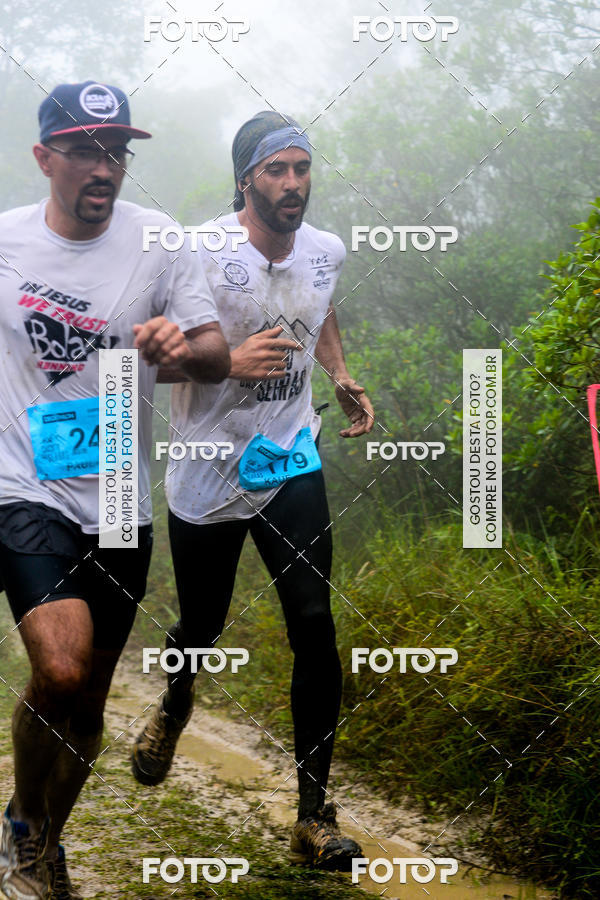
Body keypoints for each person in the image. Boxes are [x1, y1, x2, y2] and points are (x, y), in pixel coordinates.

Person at [0, 80, 230, 899]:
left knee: (90, 700)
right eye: (86, 150)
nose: (104, 167)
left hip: (121, 498)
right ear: (44, 158)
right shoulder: (7, 245)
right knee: (58, 673)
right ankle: (23, 827)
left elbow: (214, 354)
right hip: (26, 487)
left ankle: (49, 839)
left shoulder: (162, 243)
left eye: (116, 152)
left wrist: (181, 345)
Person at [132, 111, 374, 870]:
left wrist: (338, 371)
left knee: (314, 621)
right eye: (277, 170)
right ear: (248, 179)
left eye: (302, 168)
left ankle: (313, 816)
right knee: (200, 624)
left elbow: (322, 303)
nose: (294, 183)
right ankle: (176, 703)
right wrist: (228, 362)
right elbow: (141, 361)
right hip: (207, 467)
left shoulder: (326, 249)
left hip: (288, 458)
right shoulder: (197, 252)